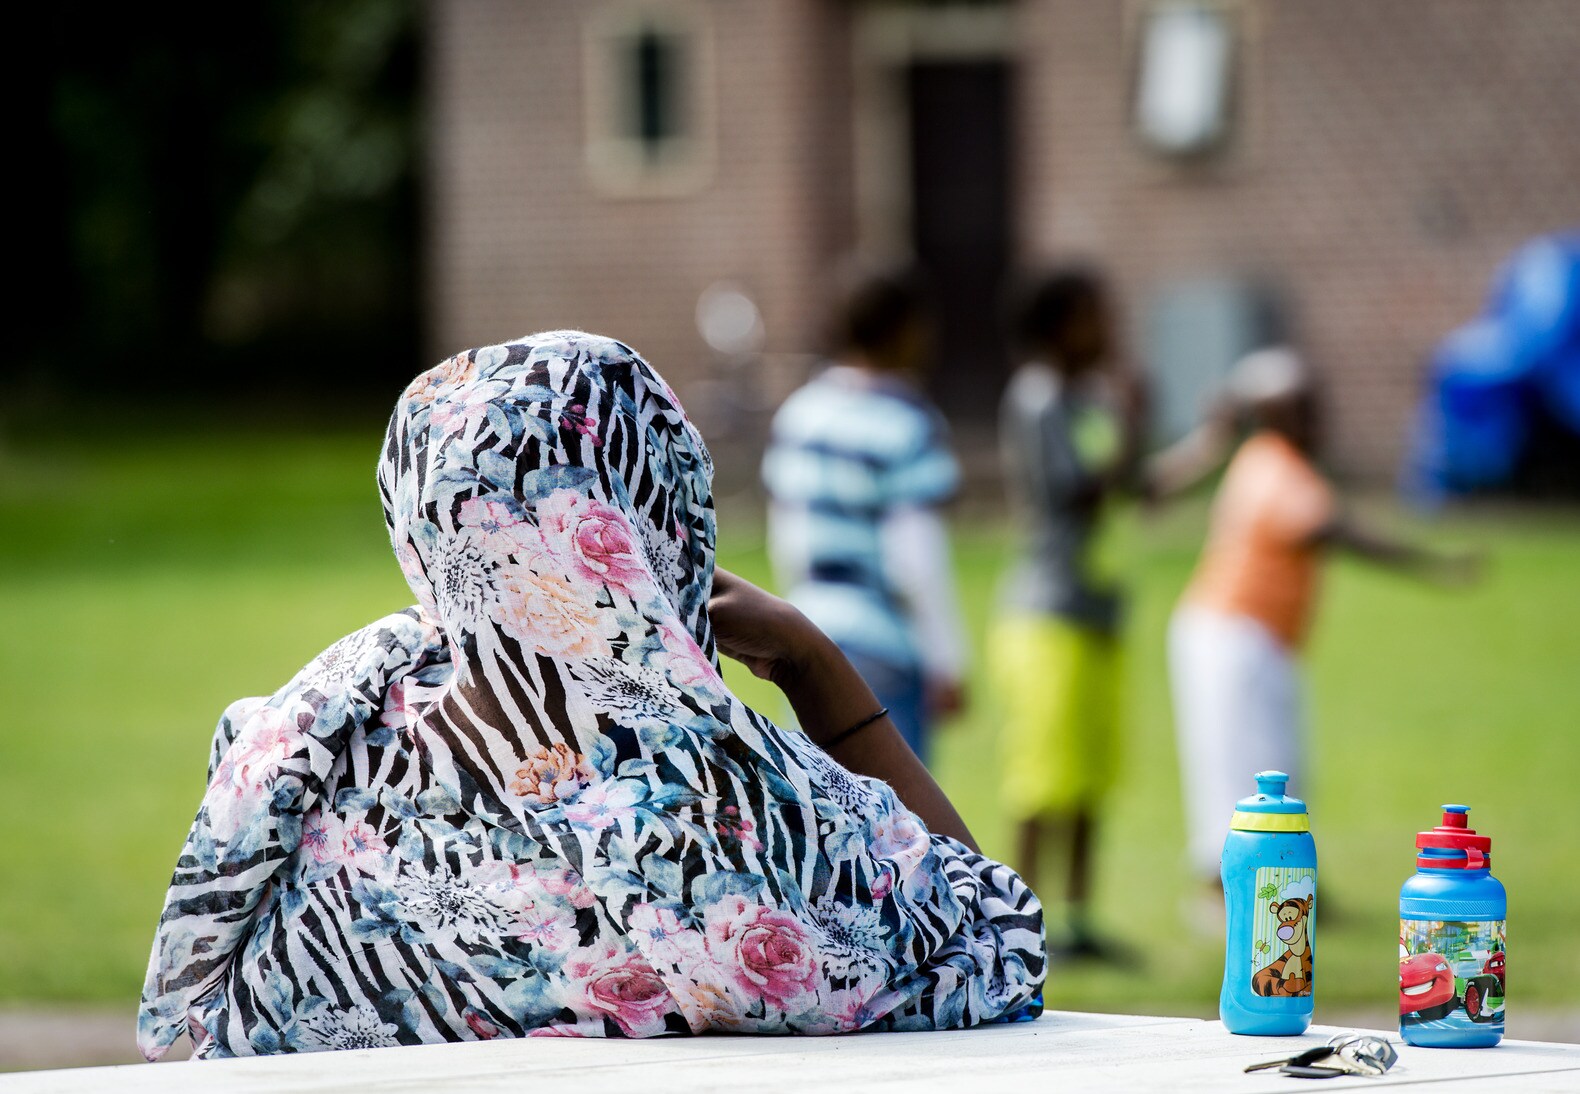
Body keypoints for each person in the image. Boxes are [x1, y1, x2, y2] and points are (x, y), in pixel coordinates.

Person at [137, 331, 1044, 1060]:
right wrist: (811, 661)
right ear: (654, 515)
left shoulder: (329, 746)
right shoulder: (717, 816)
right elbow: (993, 941)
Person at [1155, 346, 1479, 893]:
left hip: (1258, 640)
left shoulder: (1277, 463)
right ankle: (1224, 895)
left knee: (1280, 769)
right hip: (1232, 639)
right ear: (1273, 415)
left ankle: (1289, 888)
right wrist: (1434, 564)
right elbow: (1337, 531)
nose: (1315, 417)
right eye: (1300, 407)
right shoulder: (1273, 467)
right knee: (1240, 777)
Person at [991, 268, 1145, 958]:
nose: (1108, 326)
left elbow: (1133, 484)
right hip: (1048, 613)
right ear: (1057, 325)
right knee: (1043, 775)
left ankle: (1079, 921)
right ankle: (1021, 920)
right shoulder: (1040, 397)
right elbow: (1078, 492)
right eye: (1093, 314)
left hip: (1098, 611)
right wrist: (1133, 423)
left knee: (1089, 775)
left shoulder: (1086, 399)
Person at [761, 266, 967, 762]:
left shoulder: (800, 413)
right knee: (907, 824)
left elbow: (787, 536)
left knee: (828, 815)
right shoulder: (907, 422)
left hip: (811, 637)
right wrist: (948, 659)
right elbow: (915, 556)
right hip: (886, 648)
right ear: (904, 331)